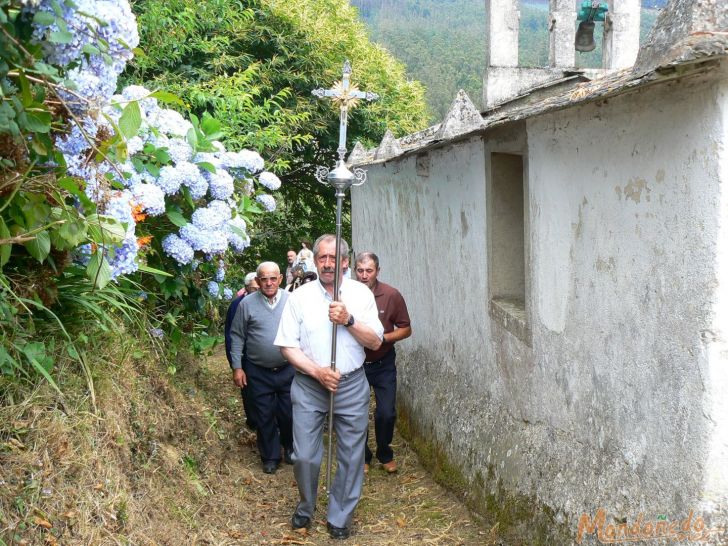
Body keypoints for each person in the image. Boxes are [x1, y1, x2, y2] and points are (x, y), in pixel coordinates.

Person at [274, 235, 383, 540]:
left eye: (334, 258)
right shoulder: (300, 297)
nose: (327, 263)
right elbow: (287, 346)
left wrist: (348, 320)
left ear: (346, 262)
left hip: (351, 385)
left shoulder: (361, 295)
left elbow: (375, 341)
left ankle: (340, 515)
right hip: (310, 385)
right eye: (322, 258)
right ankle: (307, 505)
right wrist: (317, 372)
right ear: (315, 261)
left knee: (350, 456)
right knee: (306, 456)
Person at [230, 262, 293, 474]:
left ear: (280, 279)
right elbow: (237, 335)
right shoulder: (246, 304)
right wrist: (237, 367)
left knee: (288, 413)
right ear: (257, 281)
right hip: (257, 370)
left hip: (287, 369)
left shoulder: (291, 301)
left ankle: (290, 446)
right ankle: (270, 456)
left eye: (273, 278)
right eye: (263, 279)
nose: (268, 283)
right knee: (264, 415)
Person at [355, 252, 412, 474]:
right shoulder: (346, 295)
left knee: (386, 412)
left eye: (369, 271)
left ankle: (384, 451)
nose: (364, 275)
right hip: (356, 364)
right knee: (357, 413)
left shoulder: (391, 295)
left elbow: (406, 329)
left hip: (383, 362)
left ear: (378, 271)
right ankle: (363, 456)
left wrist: (383, 339)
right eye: (360, 270)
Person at [225, 272, 260, 430]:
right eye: (254, 289)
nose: (258, 291)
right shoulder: (237, 305)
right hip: (246, 357)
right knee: (249, 392)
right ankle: (254, 421)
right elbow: (232, 336)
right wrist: (235, 364)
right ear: (246, 288)